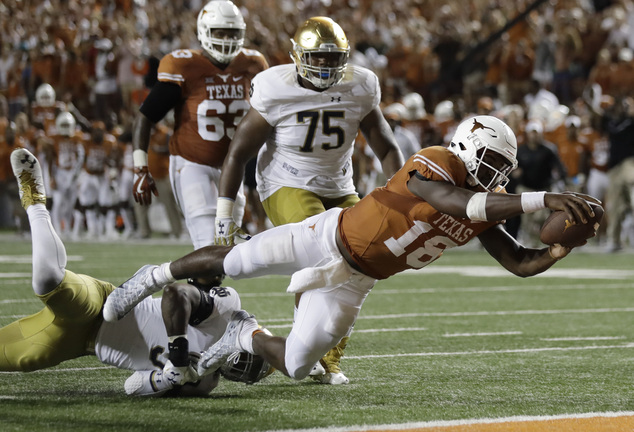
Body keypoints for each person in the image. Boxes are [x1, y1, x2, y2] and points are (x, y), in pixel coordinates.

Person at [103, 115, 599, 386]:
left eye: (502, 167)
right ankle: (152, 276)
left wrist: (558, 249)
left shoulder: (483, 210)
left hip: (355, 281)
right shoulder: (438, 161)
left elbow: (518, 263)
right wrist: (545, 198)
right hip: (328, 234)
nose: (497, 173)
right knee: (235, 261)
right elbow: (455, 200)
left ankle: (243, 336)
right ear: (468, 148)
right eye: (491, 160)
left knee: (298, 365)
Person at [212, 16, 404, 384]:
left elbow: (386, 144)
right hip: (286, 183)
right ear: (298, 55)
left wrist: (400, 193)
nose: (326, 66)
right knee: (323, 254)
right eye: (318, 58)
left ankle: (328, 357)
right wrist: (225, 214)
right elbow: (237, 153)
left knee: (362, 261)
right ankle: (306, 350)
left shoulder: (361, 85)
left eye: (334, 59)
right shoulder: (274, 87)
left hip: (339, 184)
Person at [2, 148, 272, 396]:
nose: (247, 366)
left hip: (80, 344)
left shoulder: (203, 382)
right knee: (49, 281)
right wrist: (177, 358)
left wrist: (168, 378)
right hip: (102, 305)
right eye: (254, 359)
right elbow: (177, 294)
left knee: (15, 357)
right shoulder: (226, 310)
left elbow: (132, 387)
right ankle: (35, 200)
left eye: (253, 370)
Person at [131, 0, 268, 250]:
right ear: (204, 31)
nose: (226, 39)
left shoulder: (253, 63)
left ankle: (204, 290)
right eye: (220, 32)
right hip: (192, 162)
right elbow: (145, 117)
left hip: (234, 166)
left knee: (225, 247)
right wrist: (140, 168)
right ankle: (160, 278)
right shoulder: (184, 65)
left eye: (232, 33)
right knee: (207, 242)